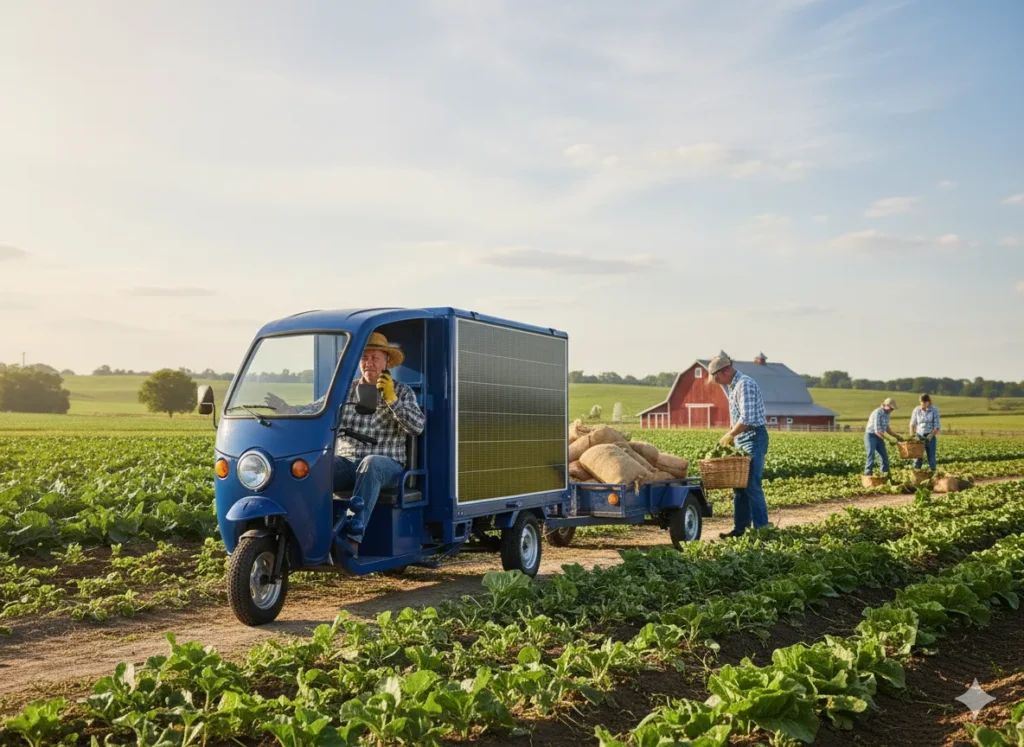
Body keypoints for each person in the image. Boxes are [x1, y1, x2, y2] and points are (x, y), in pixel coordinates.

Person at [264, 332, 425, 556]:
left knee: (371, 464)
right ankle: (304, 534)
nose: (369, 362)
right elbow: (315, 410)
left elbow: (417, 427)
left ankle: (351, 540)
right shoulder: (345, 390)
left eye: (375, 358)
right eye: (365, 358)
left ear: (387, 362)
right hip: (349, 462)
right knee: (314, 467)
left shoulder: (402, 391)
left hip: (388, 466)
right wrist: (286, 410)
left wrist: (391, 400)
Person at [708, 354, 770, 538]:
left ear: (726, 370)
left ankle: (762, 530)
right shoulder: (732, 386)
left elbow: (748, 418)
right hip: (742, 440)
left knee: (751, 484)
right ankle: (740, 529)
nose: (718, 382)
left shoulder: (745, 384)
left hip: (753, 438)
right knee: (739, 487)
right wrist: (733, 437)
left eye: (718, 378)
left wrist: (731, 434)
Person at [864, 398, 902, 476]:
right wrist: (888, 439)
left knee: (883, 455)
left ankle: (885, 474)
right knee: (871, 455)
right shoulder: (878, 412)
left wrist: (896, 436)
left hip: (880, 436)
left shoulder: (887, 414)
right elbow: (877, 430)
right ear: (886, 405)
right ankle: (868, 474)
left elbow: (887, 428)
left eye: (892, 409)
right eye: (891, 408)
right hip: (871, 435)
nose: (892, 410)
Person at [909, 393, 941, 472]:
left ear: (928, 402)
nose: (922, 406)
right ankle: (916, 474)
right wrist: (912, 436)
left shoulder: (934, 410)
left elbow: (937, 426)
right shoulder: (917, 410)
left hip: (930, 435)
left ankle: (933, 474)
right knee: (917, 457)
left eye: (924, 404)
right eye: (920, 403)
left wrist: (931, 435)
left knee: (931, 457)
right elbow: (912, 424)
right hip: (919, 435)